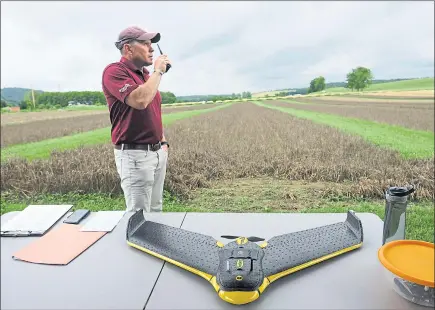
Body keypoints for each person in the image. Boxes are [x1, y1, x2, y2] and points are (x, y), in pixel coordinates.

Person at [101, 25, 172, 213]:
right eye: (146, 44)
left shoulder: (146, 75)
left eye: (152, 45)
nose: (151, 49)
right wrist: (159, 71)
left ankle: (153, 243)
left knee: (156, 210)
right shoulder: (114, 71)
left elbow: (152, 110)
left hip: (157, 152)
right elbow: (140, 100)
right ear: (128, 49)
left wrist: (163, 142)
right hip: (135, 156)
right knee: (139, 215)